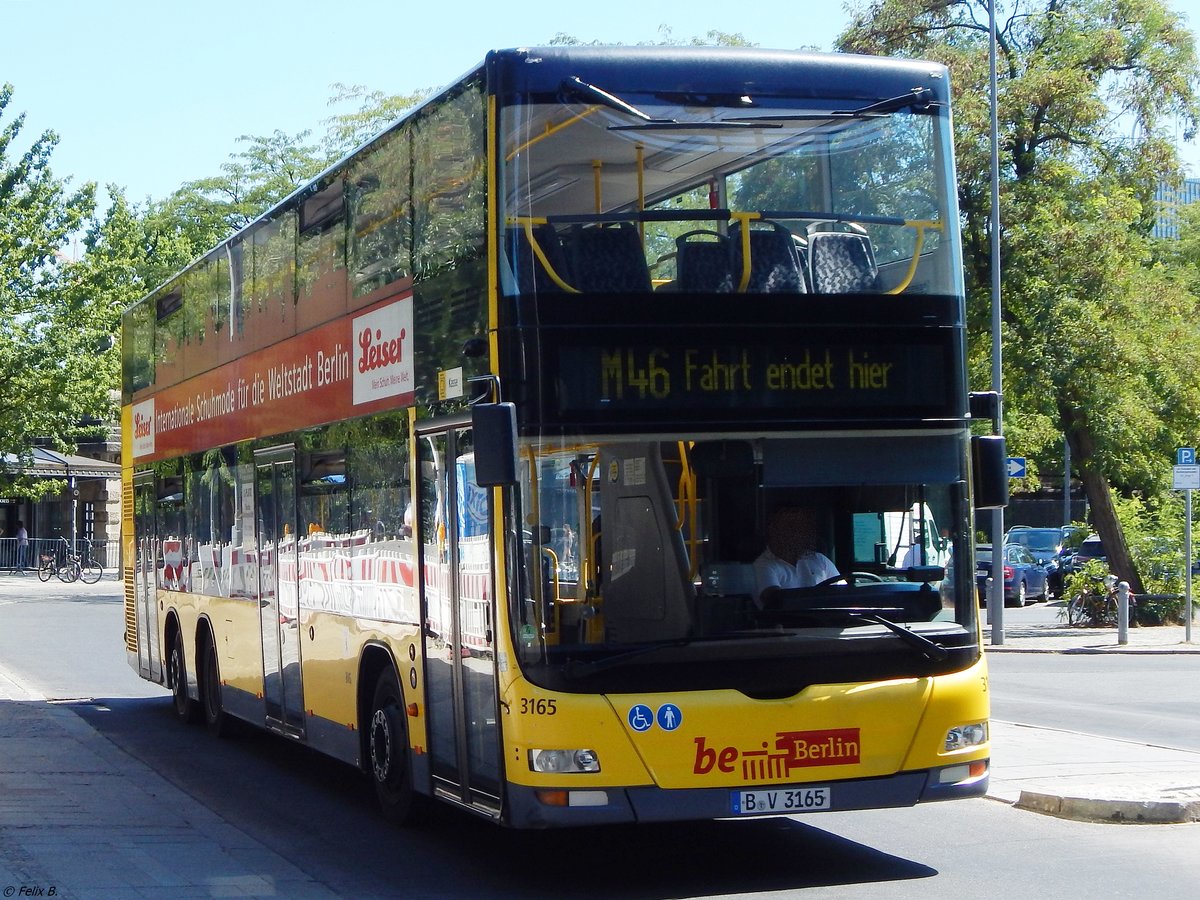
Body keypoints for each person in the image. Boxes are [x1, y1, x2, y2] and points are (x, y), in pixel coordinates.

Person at [753, 508, 840, 607]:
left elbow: (844, 594)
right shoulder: (763, 565)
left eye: (801, 527)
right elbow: (774, 601)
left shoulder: (819, 559)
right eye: (790, 526)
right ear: (773, 530)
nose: (797, 532)